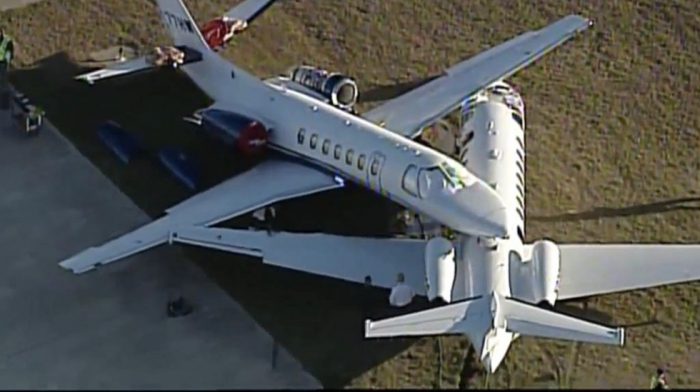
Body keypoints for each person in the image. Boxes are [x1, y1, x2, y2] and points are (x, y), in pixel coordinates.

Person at [0, 28, 14, 110]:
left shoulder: (7, 41)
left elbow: (9, 52)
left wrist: (8, 60)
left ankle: (4, 103)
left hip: (2, 64)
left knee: (3, 83)